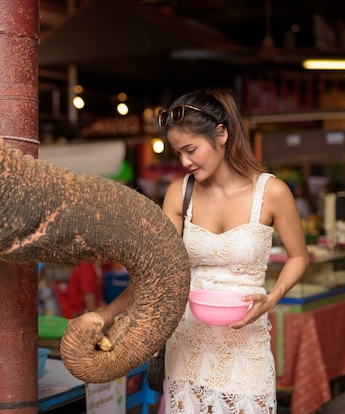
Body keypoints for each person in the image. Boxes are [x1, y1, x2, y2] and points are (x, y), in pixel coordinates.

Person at [97, 88, 309, 413]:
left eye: (191, 150)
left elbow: (298, 256)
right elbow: (158, 273)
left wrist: (272, 297)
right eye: (178, 153)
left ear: (221, 134)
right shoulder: (178, 193)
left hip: (246, 346)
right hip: (188, 344)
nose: (185, 161)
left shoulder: (272, 192)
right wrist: (107, 313)